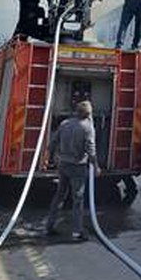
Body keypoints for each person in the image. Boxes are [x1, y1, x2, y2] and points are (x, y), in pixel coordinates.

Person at [45, 100, 100, 241]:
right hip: (78, 166)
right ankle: (77, 232)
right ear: (88, 114)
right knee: (78, 200)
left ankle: (49, 225)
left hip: (63, 164)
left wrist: (48, 157)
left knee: (60, 195)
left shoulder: (65, 123)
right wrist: (96, 166)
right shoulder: (87, 127)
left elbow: (53, 142)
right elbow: (91, 149)